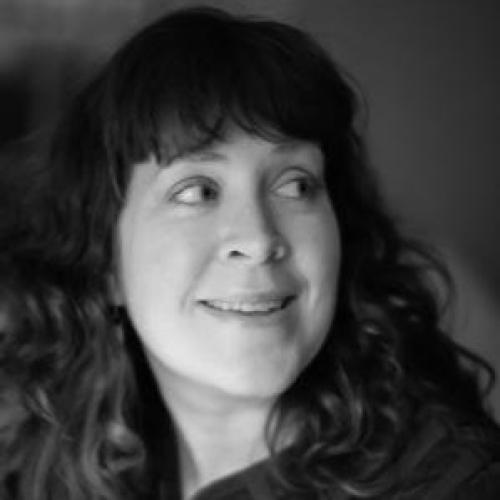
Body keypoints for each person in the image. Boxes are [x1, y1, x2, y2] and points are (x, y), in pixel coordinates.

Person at [0, 6, 499, 500]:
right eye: (198, 191)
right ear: (106, 264)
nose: (259, 239)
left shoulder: (452, 484)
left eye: (296, 185)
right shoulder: (44, 469)